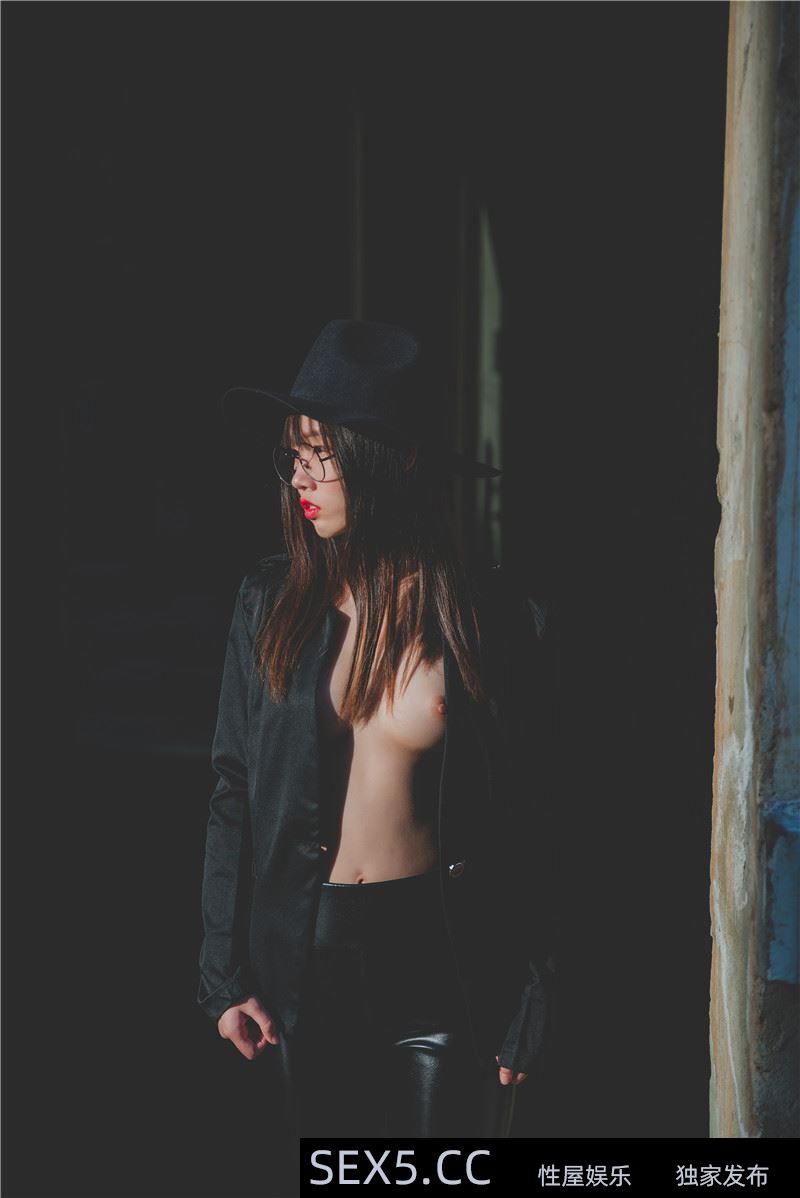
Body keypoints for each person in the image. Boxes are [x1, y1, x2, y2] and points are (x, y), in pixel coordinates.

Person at [197, 319, 558, 1141]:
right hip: (300, 963)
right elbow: (233, 789)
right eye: (293, 453)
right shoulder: (268, 606)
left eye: (321, 453)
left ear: (395, 460)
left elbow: (538, 813)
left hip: (445, 963)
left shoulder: (496, 620)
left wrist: (536, 984)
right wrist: (221, 975)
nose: (300, 475)